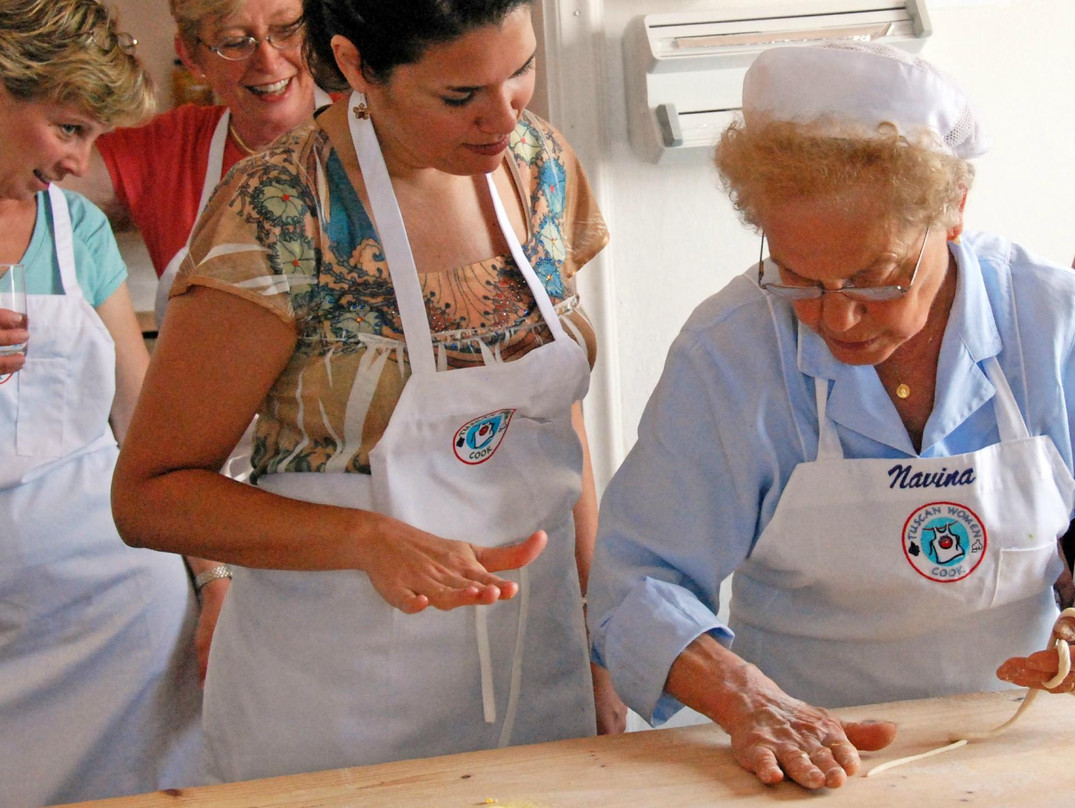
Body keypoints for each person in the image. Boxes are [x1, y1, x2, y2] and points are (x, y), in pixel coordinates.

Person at [111, 0, 625, 784]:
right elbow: (150, 495)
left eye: (520, 71)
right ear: (354, 67)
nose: (503, 116)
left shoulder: (540, 166)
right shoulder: (282, 215)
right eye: (460, 96)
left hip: (534, 670)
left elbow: (560, 424)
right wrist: (365, 540)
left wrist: (601, 630)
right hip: (338, 706)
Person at [587, 41, 1075, 791]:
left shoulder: (1052, 324)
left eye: (875, 280)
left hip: (1024, 742)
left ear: (951, 216)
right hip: (803, 757)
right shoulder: (731, 352)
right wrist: (744, 697)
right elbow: (632, 583)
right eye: (798, 278)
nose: (837, 317)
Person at [0, 1, 209, 804]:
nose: (81, 161)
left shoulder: (75, 231)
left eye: (93, 136)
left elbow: (148, 423)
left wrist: (211, 575)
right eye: (66, 128)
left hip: (117, 620)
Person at [64, 0, 331, 324]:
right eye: (235, 42)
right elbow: (22, 173)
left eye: (287, 31)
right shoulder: (168, 146)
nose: (268, 61)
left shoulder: (376, 128)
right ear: (191, 56)